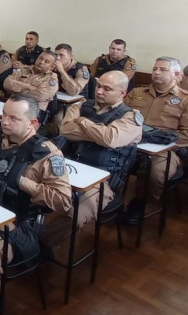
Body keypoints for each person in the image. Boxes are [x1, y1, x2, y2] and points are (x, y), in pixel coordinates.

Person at [0, 94, 72, 309]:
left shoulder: (46, 154)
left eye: (14, 118)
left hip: (17, 223)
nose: (5, 122)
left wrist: (21, 181)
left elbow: (62, 201)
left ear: (33, 123)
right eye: (3, 115)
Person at [57, 71, 142, 241]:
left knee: (75, 211)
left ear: (122, 93)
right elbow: (65, 130)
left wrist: (82, 122)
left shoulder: (130, 117)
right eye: (99, 86)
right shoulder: (81, 105)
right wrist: (100, 133)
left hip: (103, 181)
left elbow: (110, 139)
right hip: (72, 169)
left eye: (107, 89)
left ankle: (40, 249)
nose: (99, 91)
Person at [124, 57, 188, 212]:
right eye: (154, 69)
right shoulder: (137, 92)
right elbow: (120, 116)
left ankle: (143, 205)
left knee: (155, 172)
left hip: (165, 149)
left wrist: (159, 143)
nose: (156, 72)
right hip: (132, 142)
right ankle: (107, 199)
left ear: (176, 73)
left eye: (163, 69)